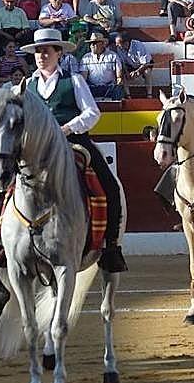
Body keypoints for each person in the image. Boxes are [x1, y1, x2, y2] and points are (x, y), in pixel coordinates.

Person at [21, 27, 126, 272]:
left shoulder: (74, 79)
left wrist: (67, 128)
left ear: (58, 53)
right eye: (38, 51)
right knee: (8, 186)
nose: (41, 56)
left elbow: (92, 113)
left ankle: (111, 246)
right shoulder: (28, 85)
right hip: (38, 148)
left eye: (46, 51)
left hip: (73, 142)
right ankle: (4, 243)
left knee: (109, 186)